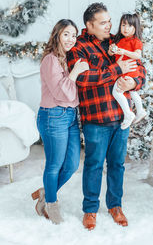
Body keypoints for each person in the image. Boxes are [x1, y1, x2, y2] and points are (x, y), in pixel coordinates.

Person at [67, 3, 146, 230]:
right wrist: (117, 70)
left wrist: (134, 81)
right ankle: (90, 209)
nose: (109, 25)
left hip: (121, 117)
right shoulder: (78, 47)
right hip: (96, 118)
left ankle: (115, 205)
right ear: (89, 25)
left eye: (109, 21)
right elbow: (83, 78)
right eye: (103, 23)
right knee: (93, 165)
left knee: (117, 165)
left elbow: (139, 67)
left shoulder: (117, 41)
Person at [31, 19, 89, 224]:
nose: (71, 39)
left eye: (74, 35)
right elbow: (60, 91)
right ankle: (51, 206)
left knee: (72, 164)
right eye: (66, 34)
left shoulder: (69, 58)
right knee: (54, 165)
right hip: (52, 116)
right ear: (57, 34)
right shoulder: (50, 60)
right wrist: (75, 72)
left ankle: (45, 192)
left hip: (71, 115)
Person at [108, 13, 147, 130]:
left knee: (117, 92)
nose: (126, 28)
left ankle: (128, 113)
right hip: (123, 70)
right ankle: (140, 110)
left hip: (130, 69)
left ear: (135, 28)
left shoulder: (135, 41)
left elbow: (137, 55)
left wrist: (123, 52)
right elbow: (112, 54)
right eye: (123, 25)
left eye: (130, 26)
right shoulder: (120, 40)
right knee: (132, 92)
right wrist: (111, 50)